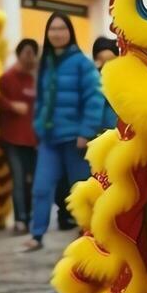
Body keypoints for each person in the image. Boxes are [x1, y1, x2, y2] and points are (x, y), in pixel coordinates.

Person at [24, 13, 104, 252]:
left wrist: (86, 132)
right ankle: (36, 235)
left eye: (62, 29)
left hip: (74, 139)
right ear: (47, 34)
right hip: (50, 139)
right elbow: (41, 100)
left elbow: (94, 98)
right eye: (52, 29)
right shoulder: (46, 62)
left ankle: (90, 234)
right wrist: (38, 128)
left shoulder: (81, 62)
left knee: (80, 190)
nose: (57, 33)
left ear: (70, 32)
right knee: (40, 188)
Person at [0, 39, 39, 236]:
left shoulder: (35, 78)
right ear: (19, 54)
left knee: (31, 180)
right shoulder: (7, 77)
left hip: (33, 139)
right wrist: (12, 106)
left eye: (33, 53)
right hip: (12, 138)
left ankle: (29, 216)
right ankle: (20, 220)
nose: (30, 57)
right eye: (27, 53)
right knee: (19, 179)